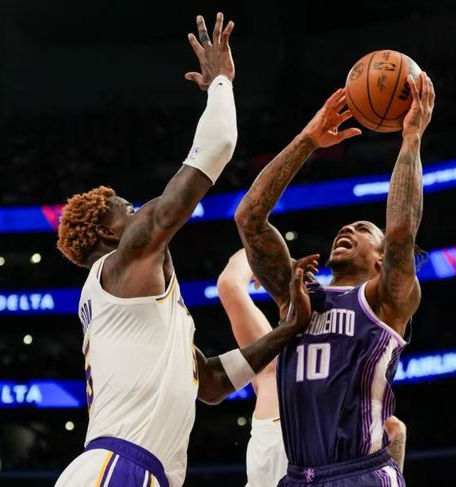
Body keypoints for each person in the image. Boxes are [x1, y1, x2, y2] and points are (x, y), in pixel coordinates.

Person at [53, 13, 316, 487]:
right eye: (128, 210)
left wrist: (288, 329)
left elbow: (210, 382)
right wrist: (220, 82)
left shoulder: (132, 308)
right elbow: (218, 145)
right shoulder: (122, 264)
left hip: (127, 467)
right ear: (109, 234)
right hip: (121, 465)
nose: (140, 213)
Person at [235, 71, 434, 486]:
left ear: (381, 260)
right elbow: (249, 218)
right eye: (347, 227)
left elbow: (401, 232)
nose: (348, 229)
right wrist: (307, 141)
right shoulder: (298, 298)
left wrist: (411, 138)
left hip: (359, 473)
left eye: (363, 229)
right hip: (297, 476)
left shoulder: (385, 300)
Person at [217, 250, 409, 486]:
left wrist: (256, 257)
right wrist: (258, 257)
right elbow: (229, 286)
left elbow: (230, 285)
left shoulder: (282, 378)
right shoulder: (272, 372)